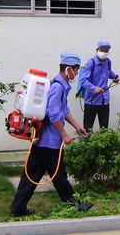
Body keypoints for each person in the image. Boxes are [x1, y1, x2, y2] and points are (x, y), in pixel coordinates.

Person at [10, 51, 93, 217]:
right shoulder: (57, 87)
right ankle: (75, 205)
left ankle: (17, 208)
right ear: (68, 69)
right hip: (50, 141)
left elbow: (64, 109)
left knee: (31, 175)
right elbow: (54, 114)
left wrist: (77, 127)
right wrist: (64, 135)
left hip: (41, 140)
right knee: (59, 175)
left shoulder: (59, 85)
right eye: (76, 70)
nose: (76, 74)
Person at [80, 41, 120, 131]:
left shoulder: (108, 62)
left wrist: (115, 77)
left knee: (104, 128)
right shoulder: (91, 63)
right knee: (88, 128)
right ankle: (86, 140)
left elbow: (109, 72)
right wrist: (94, 88)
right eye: (102, 50)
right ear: (97, 50)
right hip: (92, 101)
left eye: (106, 51)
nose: (104, 52)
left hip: (104, 100)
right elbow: (83, 80)